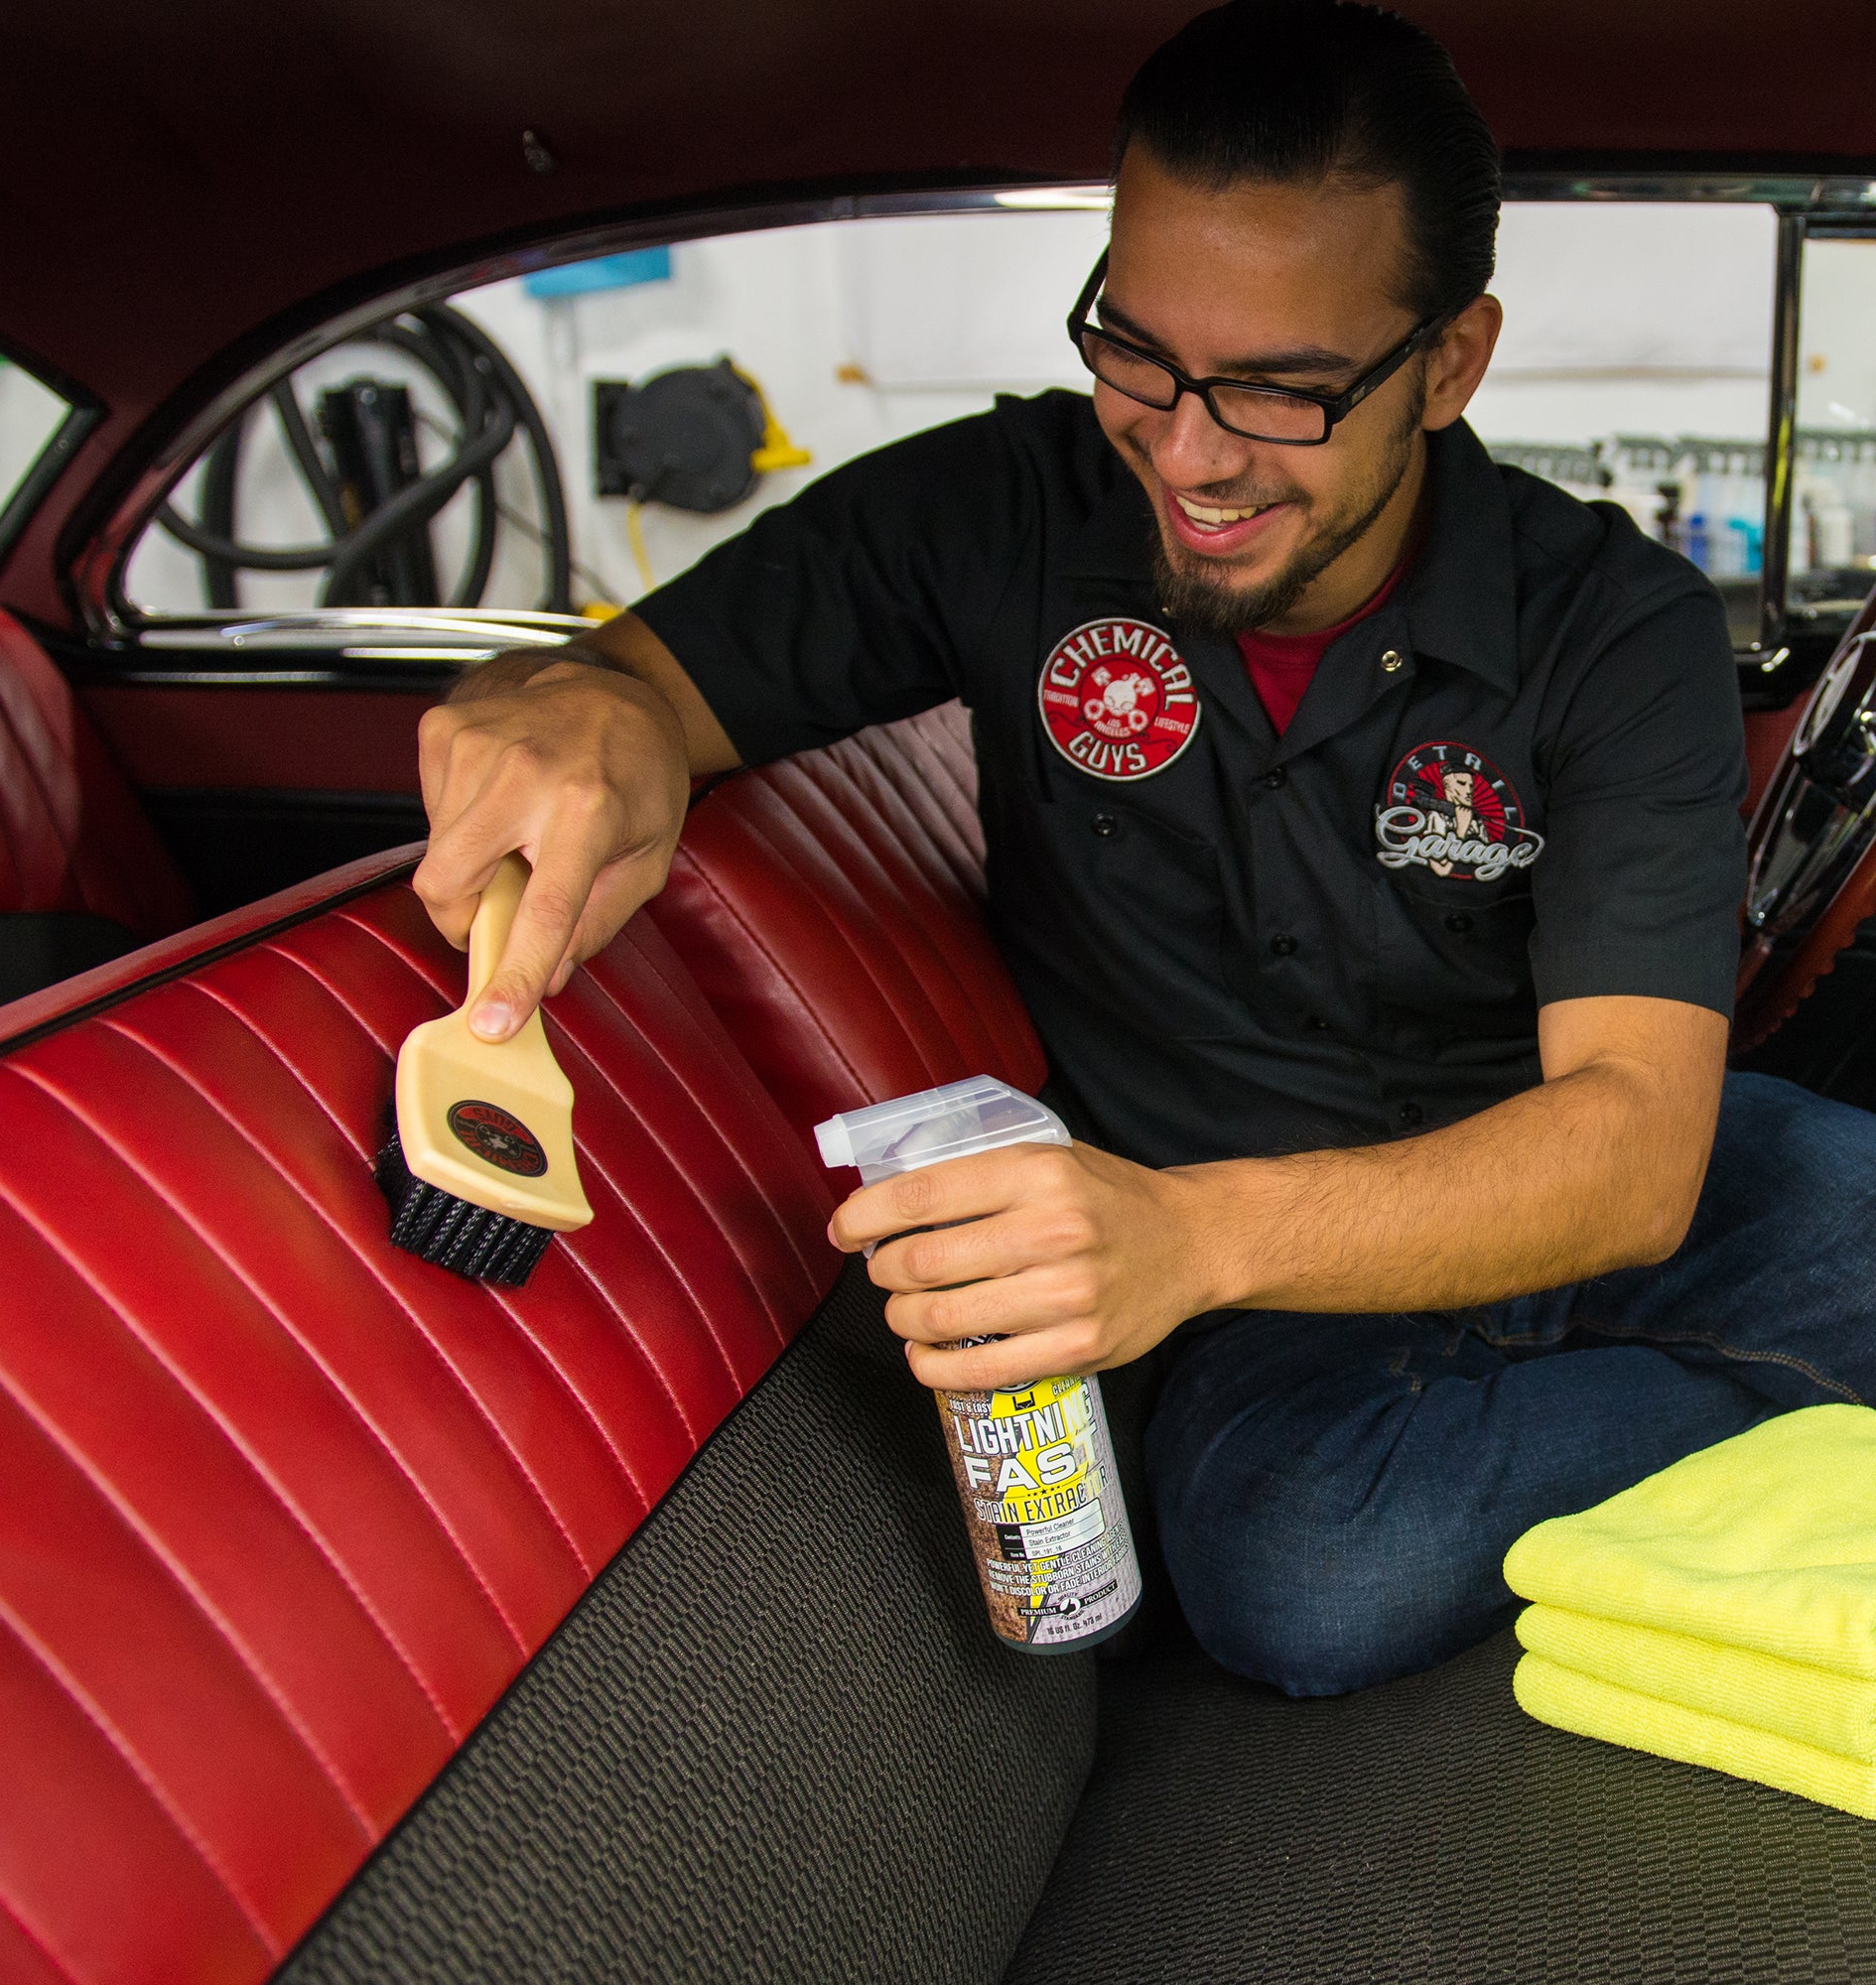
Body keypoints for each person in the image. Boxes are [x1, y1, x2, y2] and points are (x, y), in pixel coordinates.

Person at [412, 0, 1876, 1696]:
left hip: (1532, 1180)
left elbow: (1630, 1154)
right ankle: (1793, 1416)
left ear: (1450, 364)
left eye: (1281, 390)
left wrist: (1191, 1235)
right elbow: (617, 689)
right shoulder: (993, 517)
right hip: (1261, 1301)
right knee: (1301, 1576)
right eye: (1139, 350)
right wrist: (581, 714)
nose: (1186, 452)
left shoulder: (1613, 623)